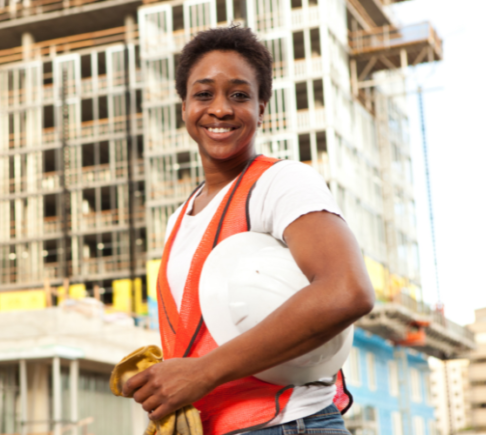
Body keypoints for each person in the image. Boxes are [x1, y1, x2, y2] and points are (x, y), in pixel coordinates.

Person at [121, 26, 375, 434]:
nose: (220, 109)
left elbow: (347, 291)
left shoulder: (282, 182)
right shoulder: (180, 216)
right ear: (183, 106)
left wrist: (202, 373)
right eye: (203, 94)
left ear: (261, 108)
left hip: (288, 425)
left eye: (239, 95)